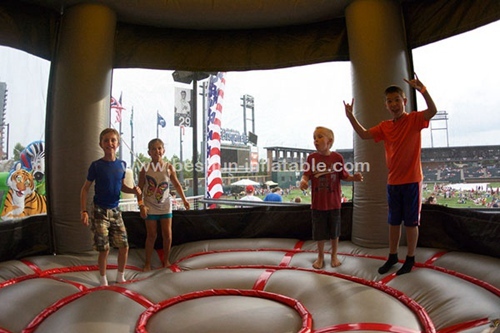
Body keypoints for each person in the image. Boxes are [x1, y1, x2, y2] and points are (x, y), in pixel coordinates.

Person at [344, 73, 437, 275]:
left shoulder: (414, 119)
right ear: (386, 105)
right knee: (393, 222)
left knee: (412, 223)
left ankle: (410, 258)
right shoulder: (385, 127)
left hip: (412, 181)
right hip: (393, 182)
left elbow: (432, 111)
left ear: (404, 101)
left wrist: (423, 90)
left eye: (397, 100)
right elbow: (363, 134)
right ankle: (393, 255)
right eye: (389, 101)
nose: (394, 104)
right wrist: (351, 116)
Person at [80, 128, 142, 286]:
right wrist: (84, 211)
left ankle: (120, 276)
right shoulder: (96, 166)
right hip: (99, 210)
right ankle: (103, 278)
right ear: (101, 144)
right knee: (104, 248)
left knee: (124, 245)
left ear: (118, 144)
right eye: (106, 140)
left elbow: (122, 186)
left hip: (115, 210)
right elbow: (85, 189)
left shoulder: (122, 165)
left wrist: (134, 190)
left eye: (113, 140)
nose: (110, 143)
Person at [300, 126, 363, 269]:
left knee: (335, 232)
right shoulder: (312, 158)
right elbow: (306, 174)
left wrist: (355, 178)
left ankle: (334, 255)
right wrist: (303, 181)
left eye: (320, 137)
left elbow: (345, 176)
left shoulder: (337, 158)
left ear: (330, 141)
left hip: (334, 203)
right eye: (314, 137)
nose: (316, 140)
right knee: (320, 233)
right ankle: (320, 256)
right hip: (318, 204)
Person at [138, 138, 190, 271]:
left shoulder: (169, 167)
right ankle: (148, 262)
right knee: (151, 235)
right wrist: (141, 205)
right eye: (153, 149)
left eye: (159, 148)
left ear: (164, 150)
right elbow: (139, 188)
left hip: (165, 205)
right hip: (150, 206)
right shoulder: (145, 169)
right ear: (149, 152)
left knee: (167, 234)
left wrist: (184, 200)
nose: (157, 151)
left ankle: (166, 260)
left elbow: (177, 184)